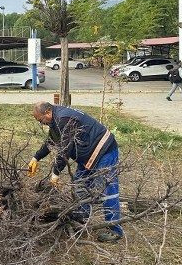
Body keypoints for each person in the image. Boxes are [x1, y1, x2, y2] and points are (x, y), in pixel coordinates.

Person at [26, 102, 123, 242]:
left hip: (104, 150)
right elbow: (51, 141)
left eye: (41, 120)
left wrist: (55, 174)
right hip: (89, 153)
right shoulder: (55, 119)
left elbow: (65, 150)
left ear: (47, 112)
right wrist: (36, 157)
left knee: (108, 189)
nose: (42, 123)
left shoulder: (64, 119)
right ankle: (81, 219)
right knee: (79, 183)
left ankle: (115, 230)